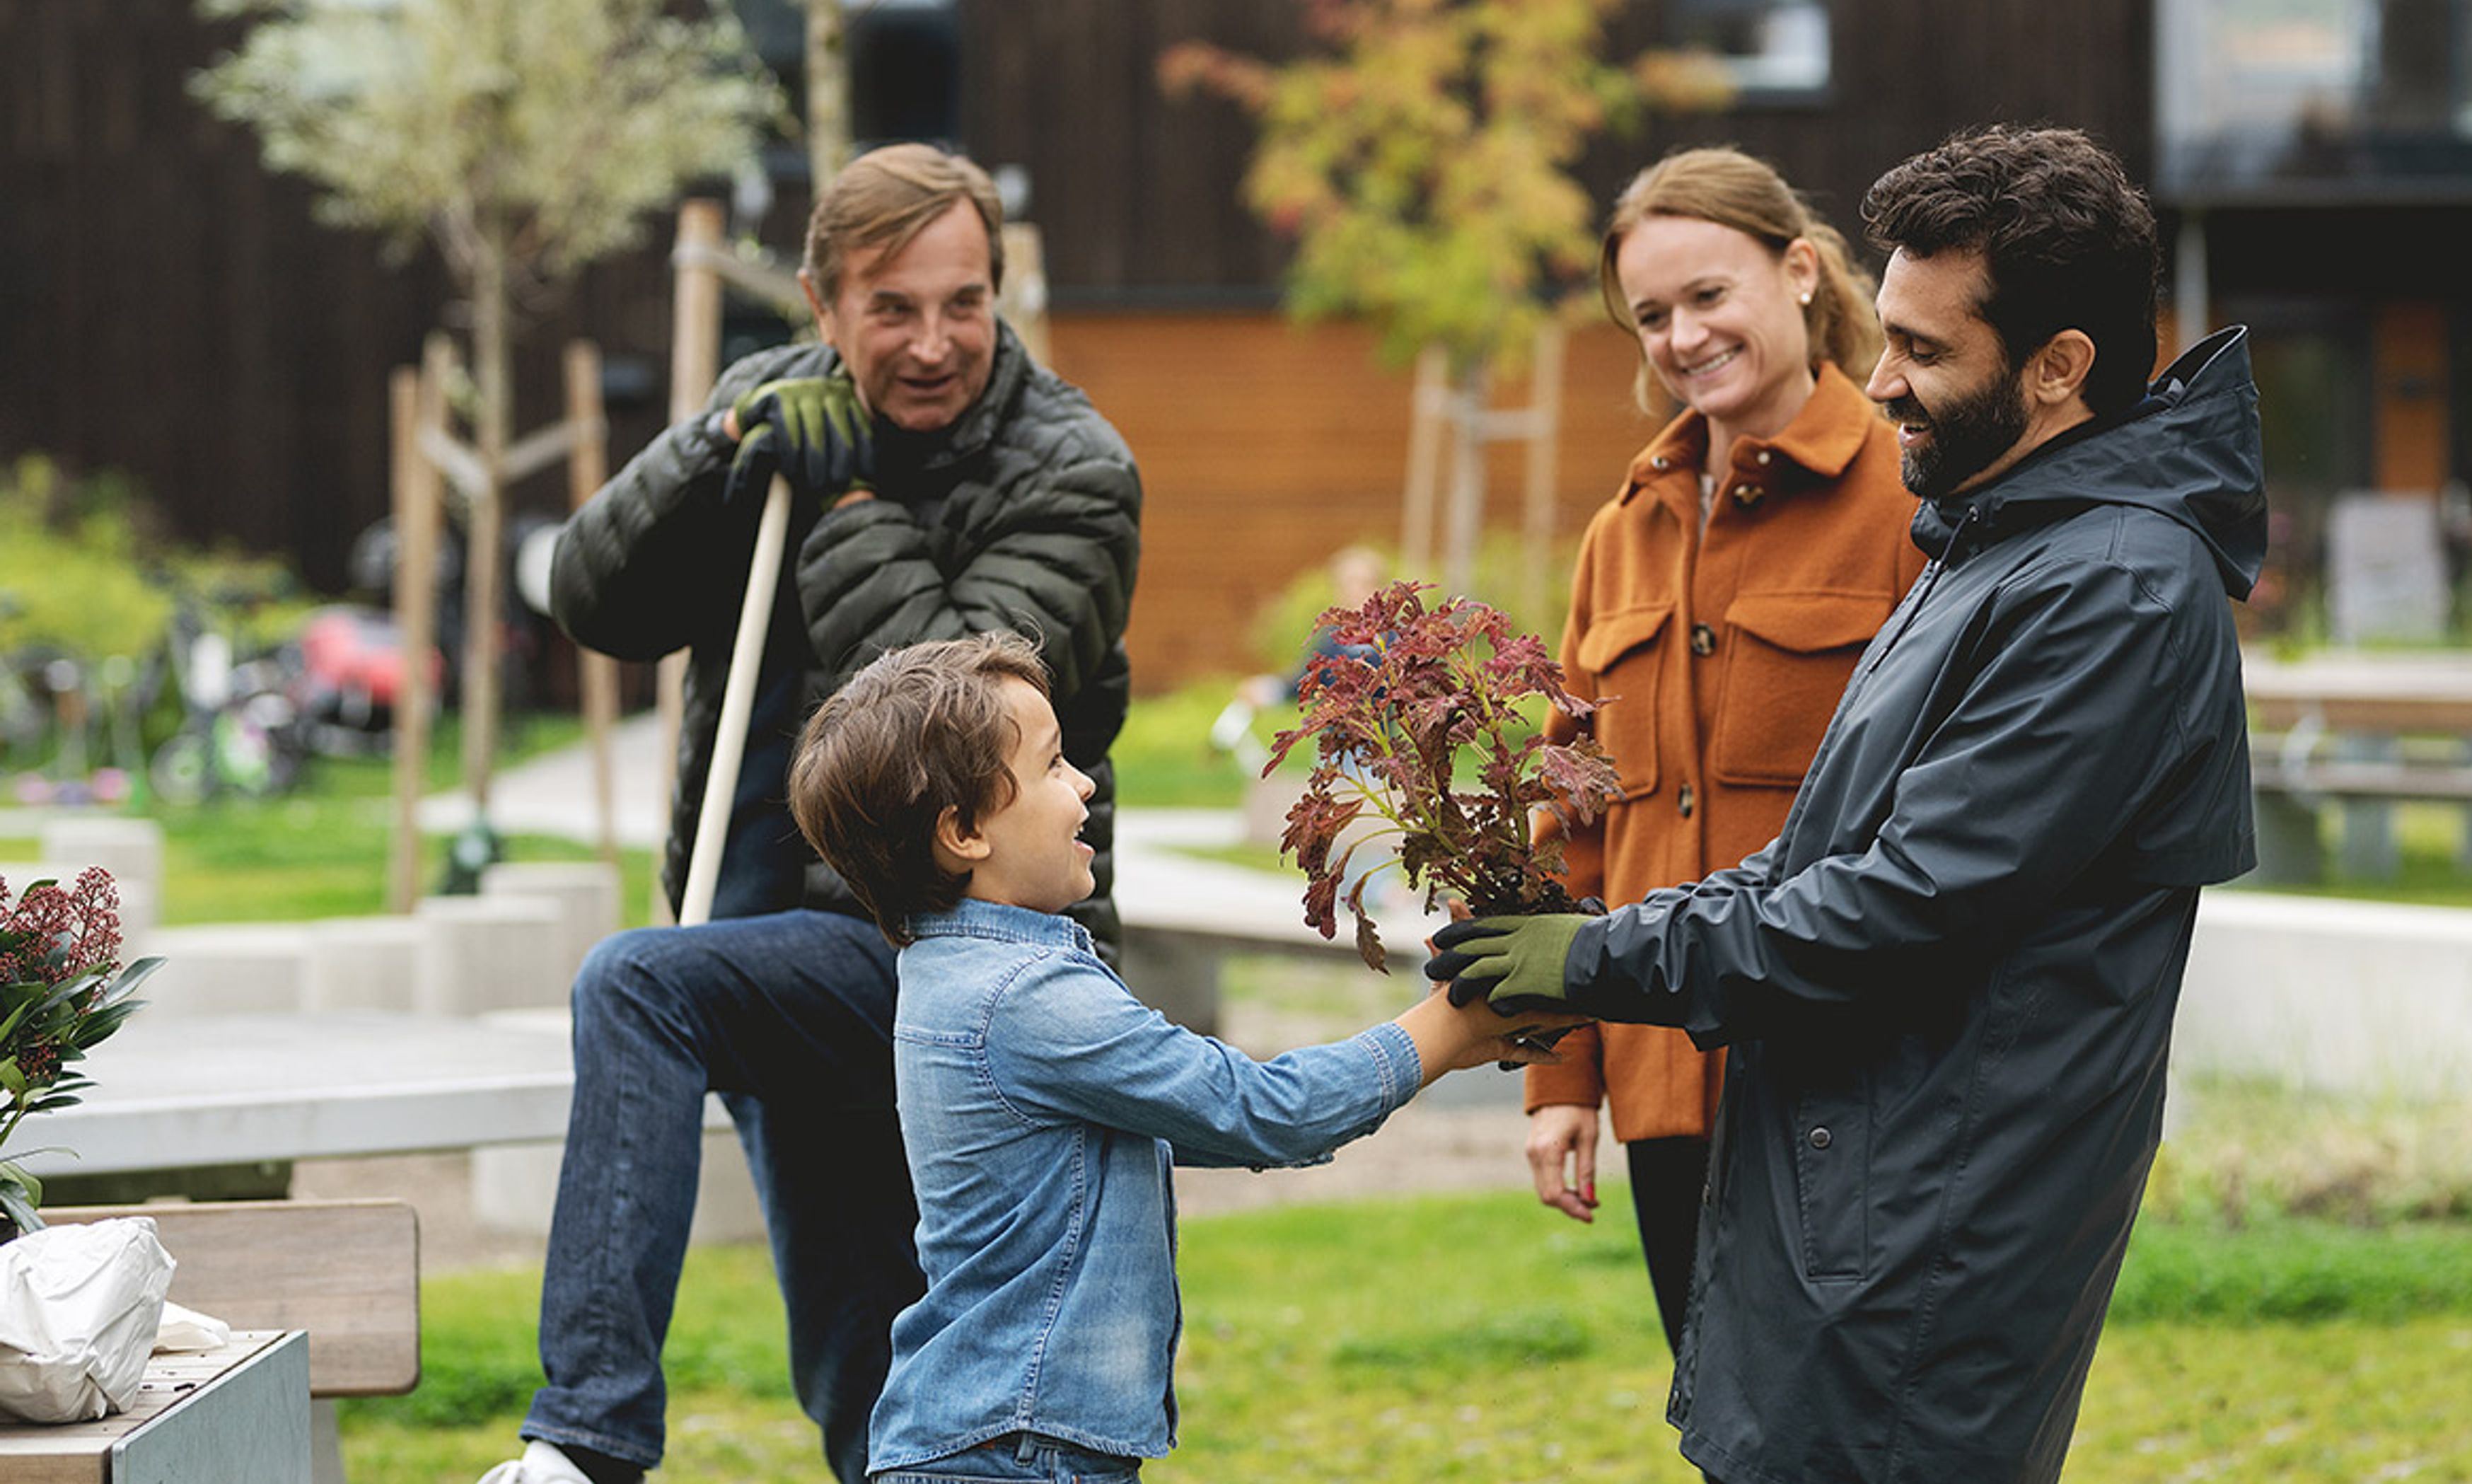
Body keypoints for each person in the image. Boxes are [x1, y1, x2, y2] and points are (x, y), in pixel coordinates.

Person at [1429, 124, 2265, 1484]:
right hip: (1844, 1162)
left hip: (1934, 1202)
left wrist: (1599, 954)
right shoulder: (1993, 536)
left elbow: (1905, 898)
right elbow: (1821, 850)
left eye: (1926, 352)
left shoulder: (2108, 585)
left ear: (2060, 369)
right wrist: (1578, 992)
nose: (1881, 380)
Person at [480, 144, 1142, 1484]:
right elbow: (596, 601)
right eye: (891, 308)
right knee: (860, 1372)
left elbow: (958, 732)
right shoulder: (767, 412)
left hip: (954, 957)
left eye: (964, 302)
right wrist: (719, 446)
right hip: (772, 935)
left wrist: (846, 504)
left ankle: (587, 1443)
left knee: (637, 988)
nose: (934, 342)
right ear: (821, 304)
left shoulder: (1072, 468)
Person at [784, 632, 1574, 1483]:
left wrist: (1442, 1048)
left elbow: (1197, 1118)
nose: (1085, 784)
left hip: (994, 1439)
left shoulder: (957, 974)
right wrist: (1443, 1028)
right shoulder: (1022, 997)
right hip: (1014, 1453)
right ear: (964, 830)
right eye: (1053, 767)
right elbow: (1262, 1111)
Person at [1519, 146, 1929, 1352]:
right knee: (1723, 1438)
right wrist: (1559, 1081)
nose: (1682, 336)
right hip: (1661, 1089)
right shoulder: (1620, 535)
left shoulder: (1914, 502)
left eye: (1709, 295)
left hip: (1844, 1089)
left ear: (1800, 272)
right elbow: (1571, 830)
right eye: (1651, 315)